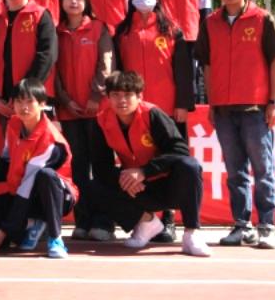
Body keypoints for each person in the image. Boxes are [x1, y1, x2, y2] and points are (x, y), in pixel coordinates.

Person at [195, 0, 275, 249]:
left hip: (256, 108)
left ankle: (267, 225)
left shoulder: (262, 19)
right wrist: (212, 102)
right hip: (223, 109)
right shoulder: (210, 23)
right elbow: (207, 65)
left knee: (263, 169)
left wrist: (274, 102)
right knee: (235, 171)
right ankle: (241, 225)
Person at [88, 71, 211, 257]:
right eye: (116, 95)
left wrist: (144, 171)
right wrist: (125, 179)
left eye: (128, 95)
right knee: (94, 185)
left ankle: (191, 233)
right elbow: (101, 166)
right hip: (137, 189)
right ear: (108, 98)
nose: (122, 100)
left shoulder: (152, 114)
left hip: (169, 185)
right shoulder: (101, 122)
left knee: (190, 166)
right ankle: (147, 222)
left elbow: (180, 150)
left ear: (139, 96)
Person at [114, 0, 194, 244]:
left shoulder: (171, 30)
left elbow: (183, 71)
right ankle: (148, 217)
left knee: (171, 162)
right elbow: (118, 72)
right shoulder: (123, 32)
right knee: (141, 161)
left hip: (167, 109)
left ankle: (170, 218)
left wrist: (182, 104)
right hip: (135, 112)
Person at [0, 79, 76, 259]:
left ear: (42, 104)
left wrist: (6, 228)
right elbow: (8, 167)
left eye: (30, 101)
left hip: (56, 197)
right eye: (19, 101)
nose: (24, 107)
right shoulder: (14, 125)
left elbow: (28, 184)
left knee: (45, 175)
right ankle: (30, 226)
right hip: (23, 193)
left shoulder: (50, 140)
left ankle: (55, 237)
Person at [54, 0, 114, 241]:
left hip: (97, 110)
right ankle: (83, 220)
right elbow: (54, 71)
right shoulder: (56, 31)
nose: (74, 2)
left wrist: (95, 96)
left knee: (101, 165)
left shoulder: (99, 28)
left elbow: (106, 64)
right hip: (70, 111)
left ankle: (104, 222)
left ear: (86, 1)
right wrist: (65, 101)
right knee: (78, 167)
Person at [0, 0, 57, 124]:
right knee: (11, 141)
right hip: (5, 104)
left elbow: (47, 56)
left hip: (33, 99)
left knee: (39, 140)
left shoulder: (41, 15)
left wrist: (22, 95)